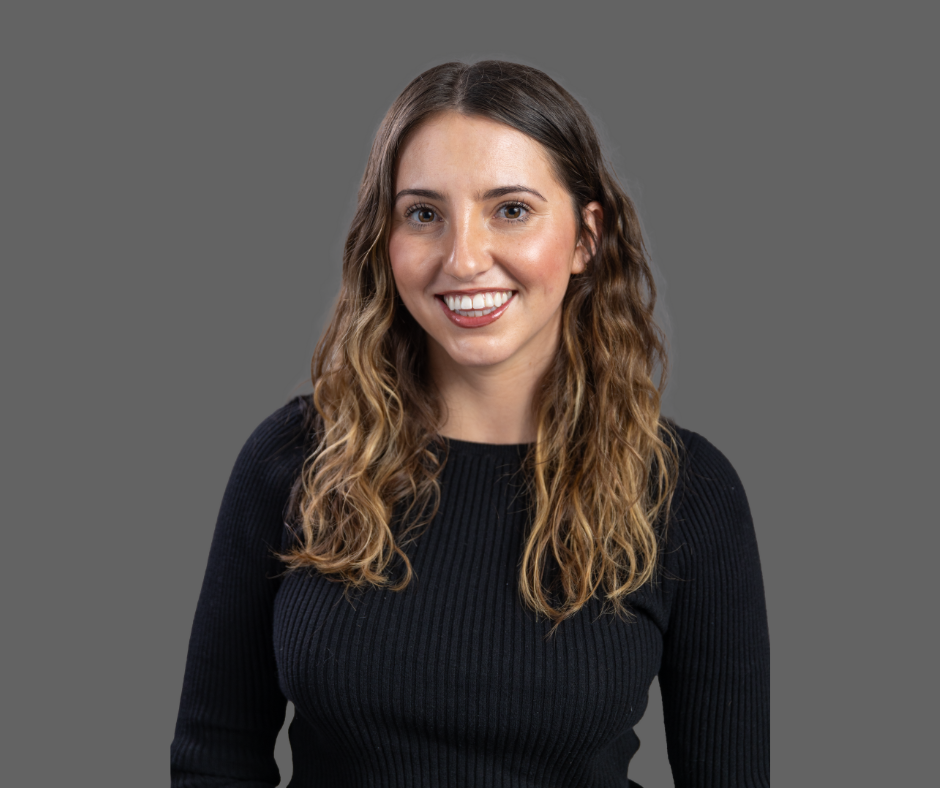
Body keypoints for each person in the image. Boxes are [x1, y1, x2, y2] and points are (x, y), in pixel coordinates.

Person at [171, 60, 770, 787]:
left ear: (586, 238)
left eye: (510, 210)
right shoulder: (294, 461)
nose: (463, 259)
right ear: (384, 238)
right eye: (424, 214)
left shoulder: (687, 492)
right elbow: (214, 761)